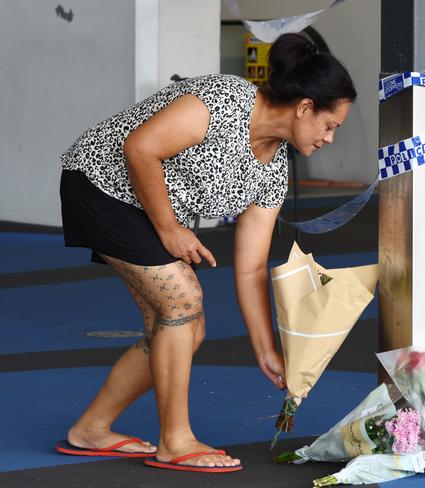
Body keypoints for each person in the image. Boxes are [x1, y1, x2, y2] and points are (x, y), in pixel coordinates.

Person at [56, 33, 356, 473]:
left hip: (147, 206)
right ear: (305, 107)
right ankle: (175, 441)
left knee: (185, 331)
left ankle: (92, 429)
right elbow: (139, 148)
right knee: (182, 302)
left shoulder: (273, 171)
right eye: (330, 126)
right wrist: (169, 228)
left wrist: (264, 348)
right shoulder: (225, 100)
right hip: (101, 186)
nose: (330, 139)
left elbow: (252, 266)